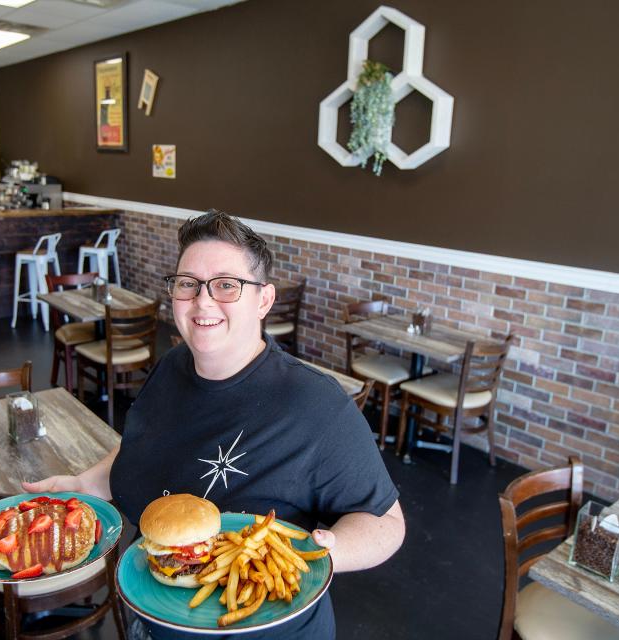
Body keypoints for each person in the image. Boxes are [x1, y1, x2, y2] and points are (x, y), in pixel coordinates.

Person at [25, 209, 405, 639]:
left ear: (263, 299)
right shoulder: (170, 366)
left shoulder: (316, 403)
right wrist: (85, 484)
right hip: (151, 618)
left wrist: (326, 552)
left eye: (227, 285)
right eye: (188, 284)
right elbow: (141, 444)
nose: (203, 301)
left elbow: (387, 523)